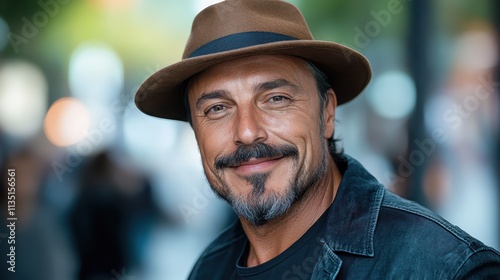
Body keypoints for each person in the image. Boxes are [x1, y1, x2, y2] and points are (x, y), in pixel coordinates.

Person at [135, 0, 500, 278]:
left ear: (326, 114)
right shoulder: (209, 268)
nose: (246, 131)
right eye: (217, 108)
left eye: (276, 98)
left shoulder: (443, 267)